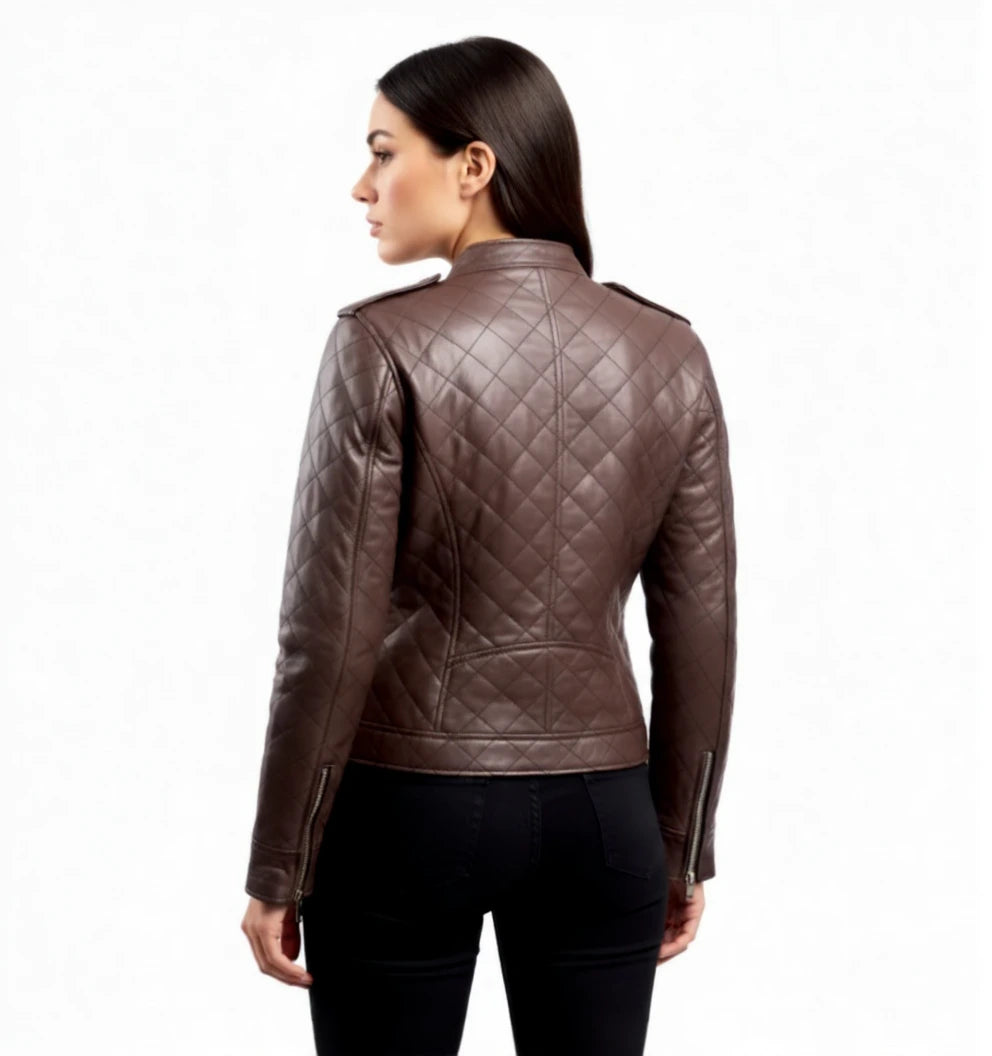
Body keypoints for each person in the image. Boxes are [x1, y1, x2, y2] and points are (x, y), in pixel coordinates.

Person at [240, 35, 737, 1056]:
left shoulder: (381, 343)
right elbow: (702, 627)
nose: (362, 185)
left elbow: (324, 637)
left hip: (405, 813)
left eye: (384, 152)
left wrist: (278, 863)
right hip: (604, 820)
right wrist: (681, 844)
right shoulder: (671, 352)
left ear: (473, 165)